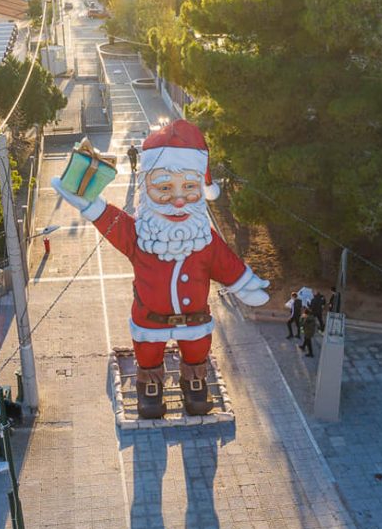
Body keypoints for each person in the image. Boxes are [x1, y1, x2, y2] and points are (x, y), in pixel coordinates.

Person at [52, 119, 269, 418]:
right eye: (165, 187)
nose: (179, 199)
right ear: (146, 185)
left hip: (195, 321)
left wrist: (246, 284)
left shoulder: (204, 238)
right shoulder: (140, 236)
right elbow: (111, 220)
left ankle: (195, 386)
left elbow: (226, 264)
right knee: (148, 354)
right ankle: (150, 390)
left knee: (196, 352)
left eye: (190, 187)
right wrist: (91, 205)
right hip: (149, 321)